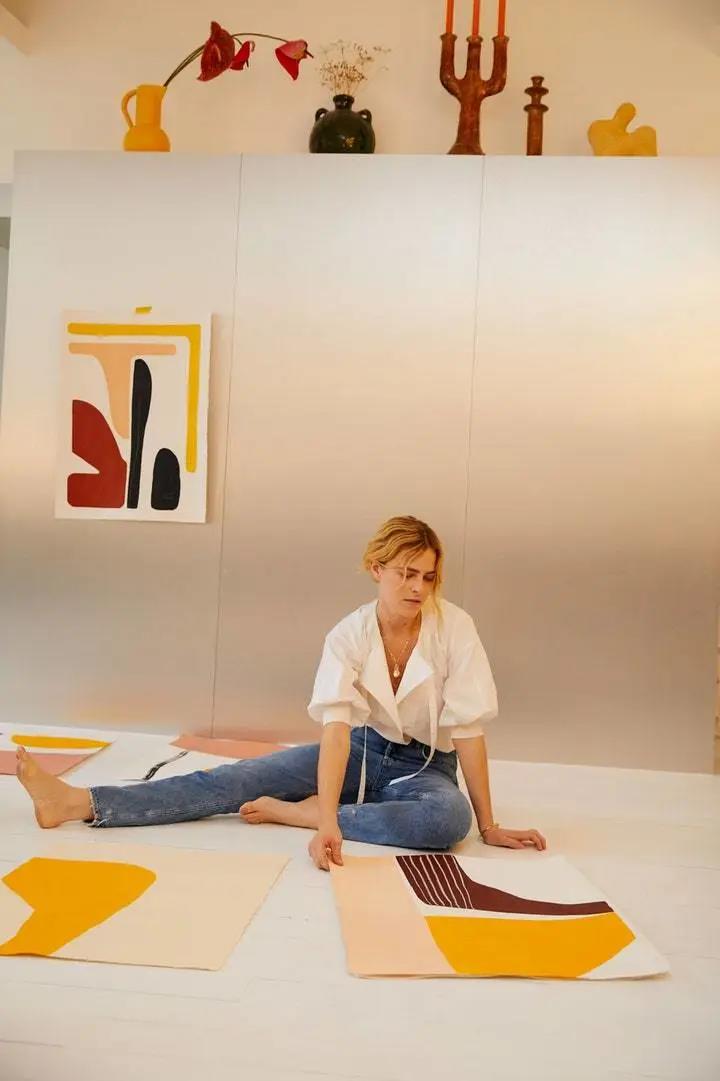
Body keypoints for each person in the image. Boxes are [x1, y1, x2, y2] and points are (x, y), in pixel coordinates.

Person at [16, 515, 546, 869]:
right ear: (376, 569)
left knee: (447, 821)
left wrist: (489, 826)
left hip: (427, 767)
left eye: (428, 577)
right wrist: (333, 822)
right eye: (407, 574)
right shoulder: (349, 635)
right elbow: (337, 731)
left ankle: (299, 811)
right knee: (236, 779)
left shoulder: (455, 628)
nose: (418, 588)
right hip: (361, 750)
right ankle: (79, 802)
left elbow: (468, 730)